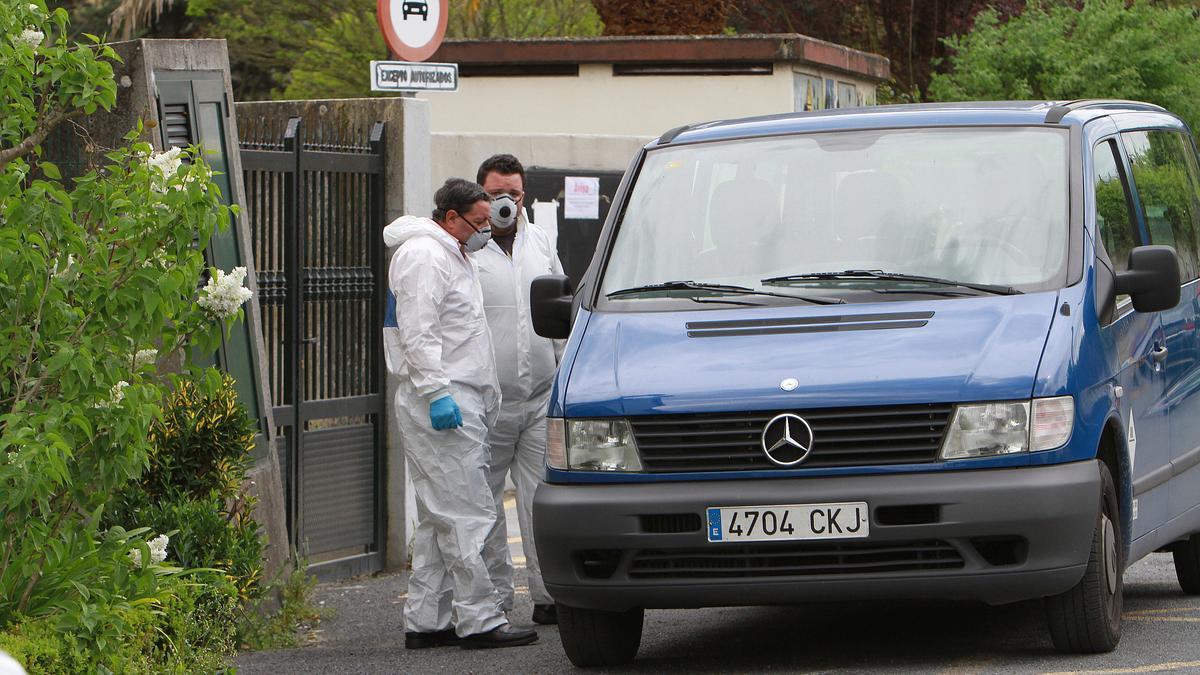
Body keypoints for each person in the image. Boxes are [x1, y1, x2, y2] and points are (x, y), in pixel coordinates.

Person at [383, 178, 538, 650]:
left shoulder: (450, 254)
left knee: (440, 516)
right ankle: (480, 619)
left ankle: (427, 619)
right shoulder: (425, 256)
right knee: (467, 513)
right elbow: (418, 330)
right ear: (450, 217)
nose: (485, 233)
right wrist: (435, 392)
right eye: (478, 223)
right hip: (443, 399)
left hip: (453, 395)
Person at [473, 154, 564, 626]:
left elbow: (560, 306)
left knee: (540, 500)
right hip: (487, 403)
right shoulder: (465, 249)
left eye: (514, 193)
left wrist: (565, 366)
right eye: (495, 194)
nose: (506, 202)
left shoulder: (542, 240)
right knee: (484, 505)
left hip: (538, 399)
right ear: (480, 195)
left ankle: (549, 597)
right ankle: (494, 602)